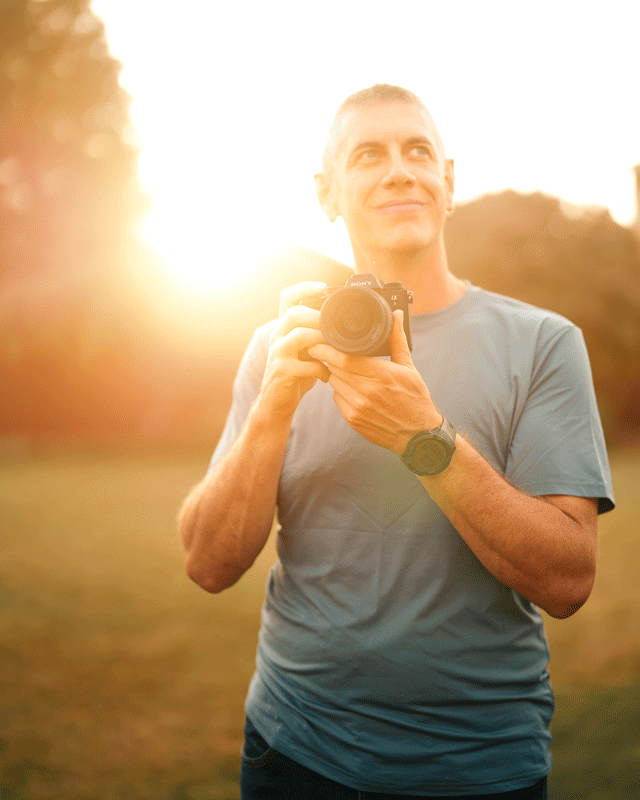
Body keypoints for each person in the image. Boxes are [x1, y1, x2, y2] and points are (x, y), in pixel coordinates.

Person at [178, 84, 615, 799]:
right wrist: (274, 408)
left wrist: (423, 437)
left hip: (479, 766)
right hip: (294, 751)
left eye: (419, 150)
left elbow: (567, 580)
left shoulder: (543, 343)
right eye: (368, 154)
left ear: (448, 182)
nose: (399, 169)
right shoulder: (278, 347)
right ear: (328, 193)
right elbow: (207, 563)